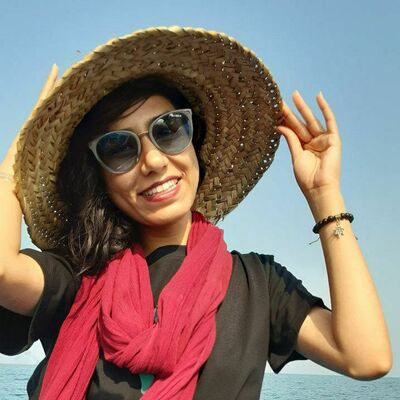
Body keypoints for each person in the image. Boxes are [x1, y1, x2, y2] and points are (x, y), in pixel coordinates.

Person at [0, 27, 392, 399]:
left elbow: (365, 357)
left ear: (194, 142)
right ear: (100, 178)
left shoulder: (258, 284)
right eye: (119, 148)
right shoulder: (78, 278)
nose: (153, 161)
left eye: (169, 130)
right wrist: (13, 165)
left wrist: (325, 195)